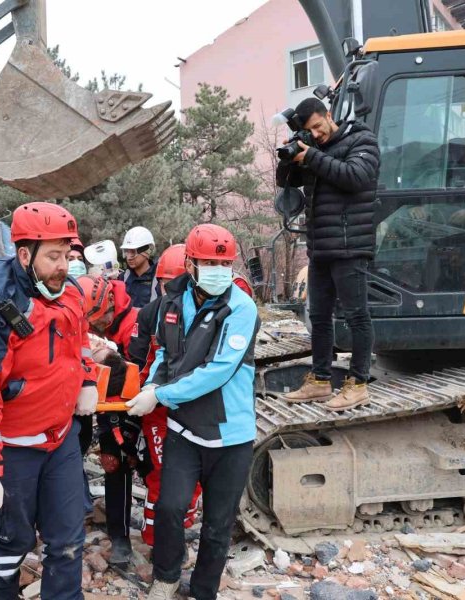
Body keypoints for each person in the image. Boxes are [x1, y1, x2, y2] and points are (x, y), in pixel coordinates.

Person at [0, 202, 98, 599]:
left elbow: (79, 341)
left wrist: (85, 379)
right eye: (53, 256)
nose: (63, 266)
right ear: (24, 255)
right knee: (10, 544)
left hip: (60, 440)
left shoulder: (67, 291)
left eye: (67, 255)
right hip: (14, 449)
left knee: (68, 541)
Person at [126, 223, 258, 600]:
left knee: (217, 525)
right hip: (184, 431)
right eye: (207, 262)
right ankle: (166, 579)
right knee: (169, 507)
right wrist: (151, 383)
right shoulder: (173, 302)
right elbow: (167, 354)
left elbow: (219, 370)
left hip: (230, 436)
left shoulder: (241, 308)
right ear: (190, 263)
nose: (218, 270)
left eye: (224, 263)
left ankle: (204, 591)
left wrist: (161, 396)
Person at [277, 97, 379, 411]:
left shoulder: (362, 140)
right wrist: (289, 158)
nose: (317, 135)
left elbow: (355, 177)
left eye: (318, 128)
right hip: (320, 247)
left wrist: (313, 156)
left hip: (350, 246)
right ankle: (320, 380)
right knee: (319, 317)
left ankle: (358, 383)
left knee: (356, 316)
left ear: (329, 115)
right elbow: (285, 183)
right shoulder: (312, 149)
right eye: (310, 131)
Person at [126, 244, 201, 547]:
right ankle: (157, 542)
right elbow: (137, 361)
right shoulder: (149, 315)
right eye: (164, 285)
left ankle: (178, 533)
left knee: (192, 479)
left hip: (193, 409)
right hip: (156, 409)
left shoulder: (208, 315)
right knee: (160, 476)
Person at [78, 275, 141, 567]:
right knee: (94, 459)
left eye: (97, 318)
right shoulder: (84, 321)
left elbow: (138, 370)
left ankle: (122, 535)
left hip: (128, 402)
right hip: (94, 399)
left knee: (120, 462)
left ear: (109, 305)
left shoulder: (136, 323)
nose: (94, 325)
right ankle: (93, 521)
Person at [119, 226, 156, 308]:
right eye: (126, 251)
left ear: (147, 251)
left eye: (133, 252)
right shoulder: (123, 278)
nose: (129, 257)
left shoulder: (158, 279)